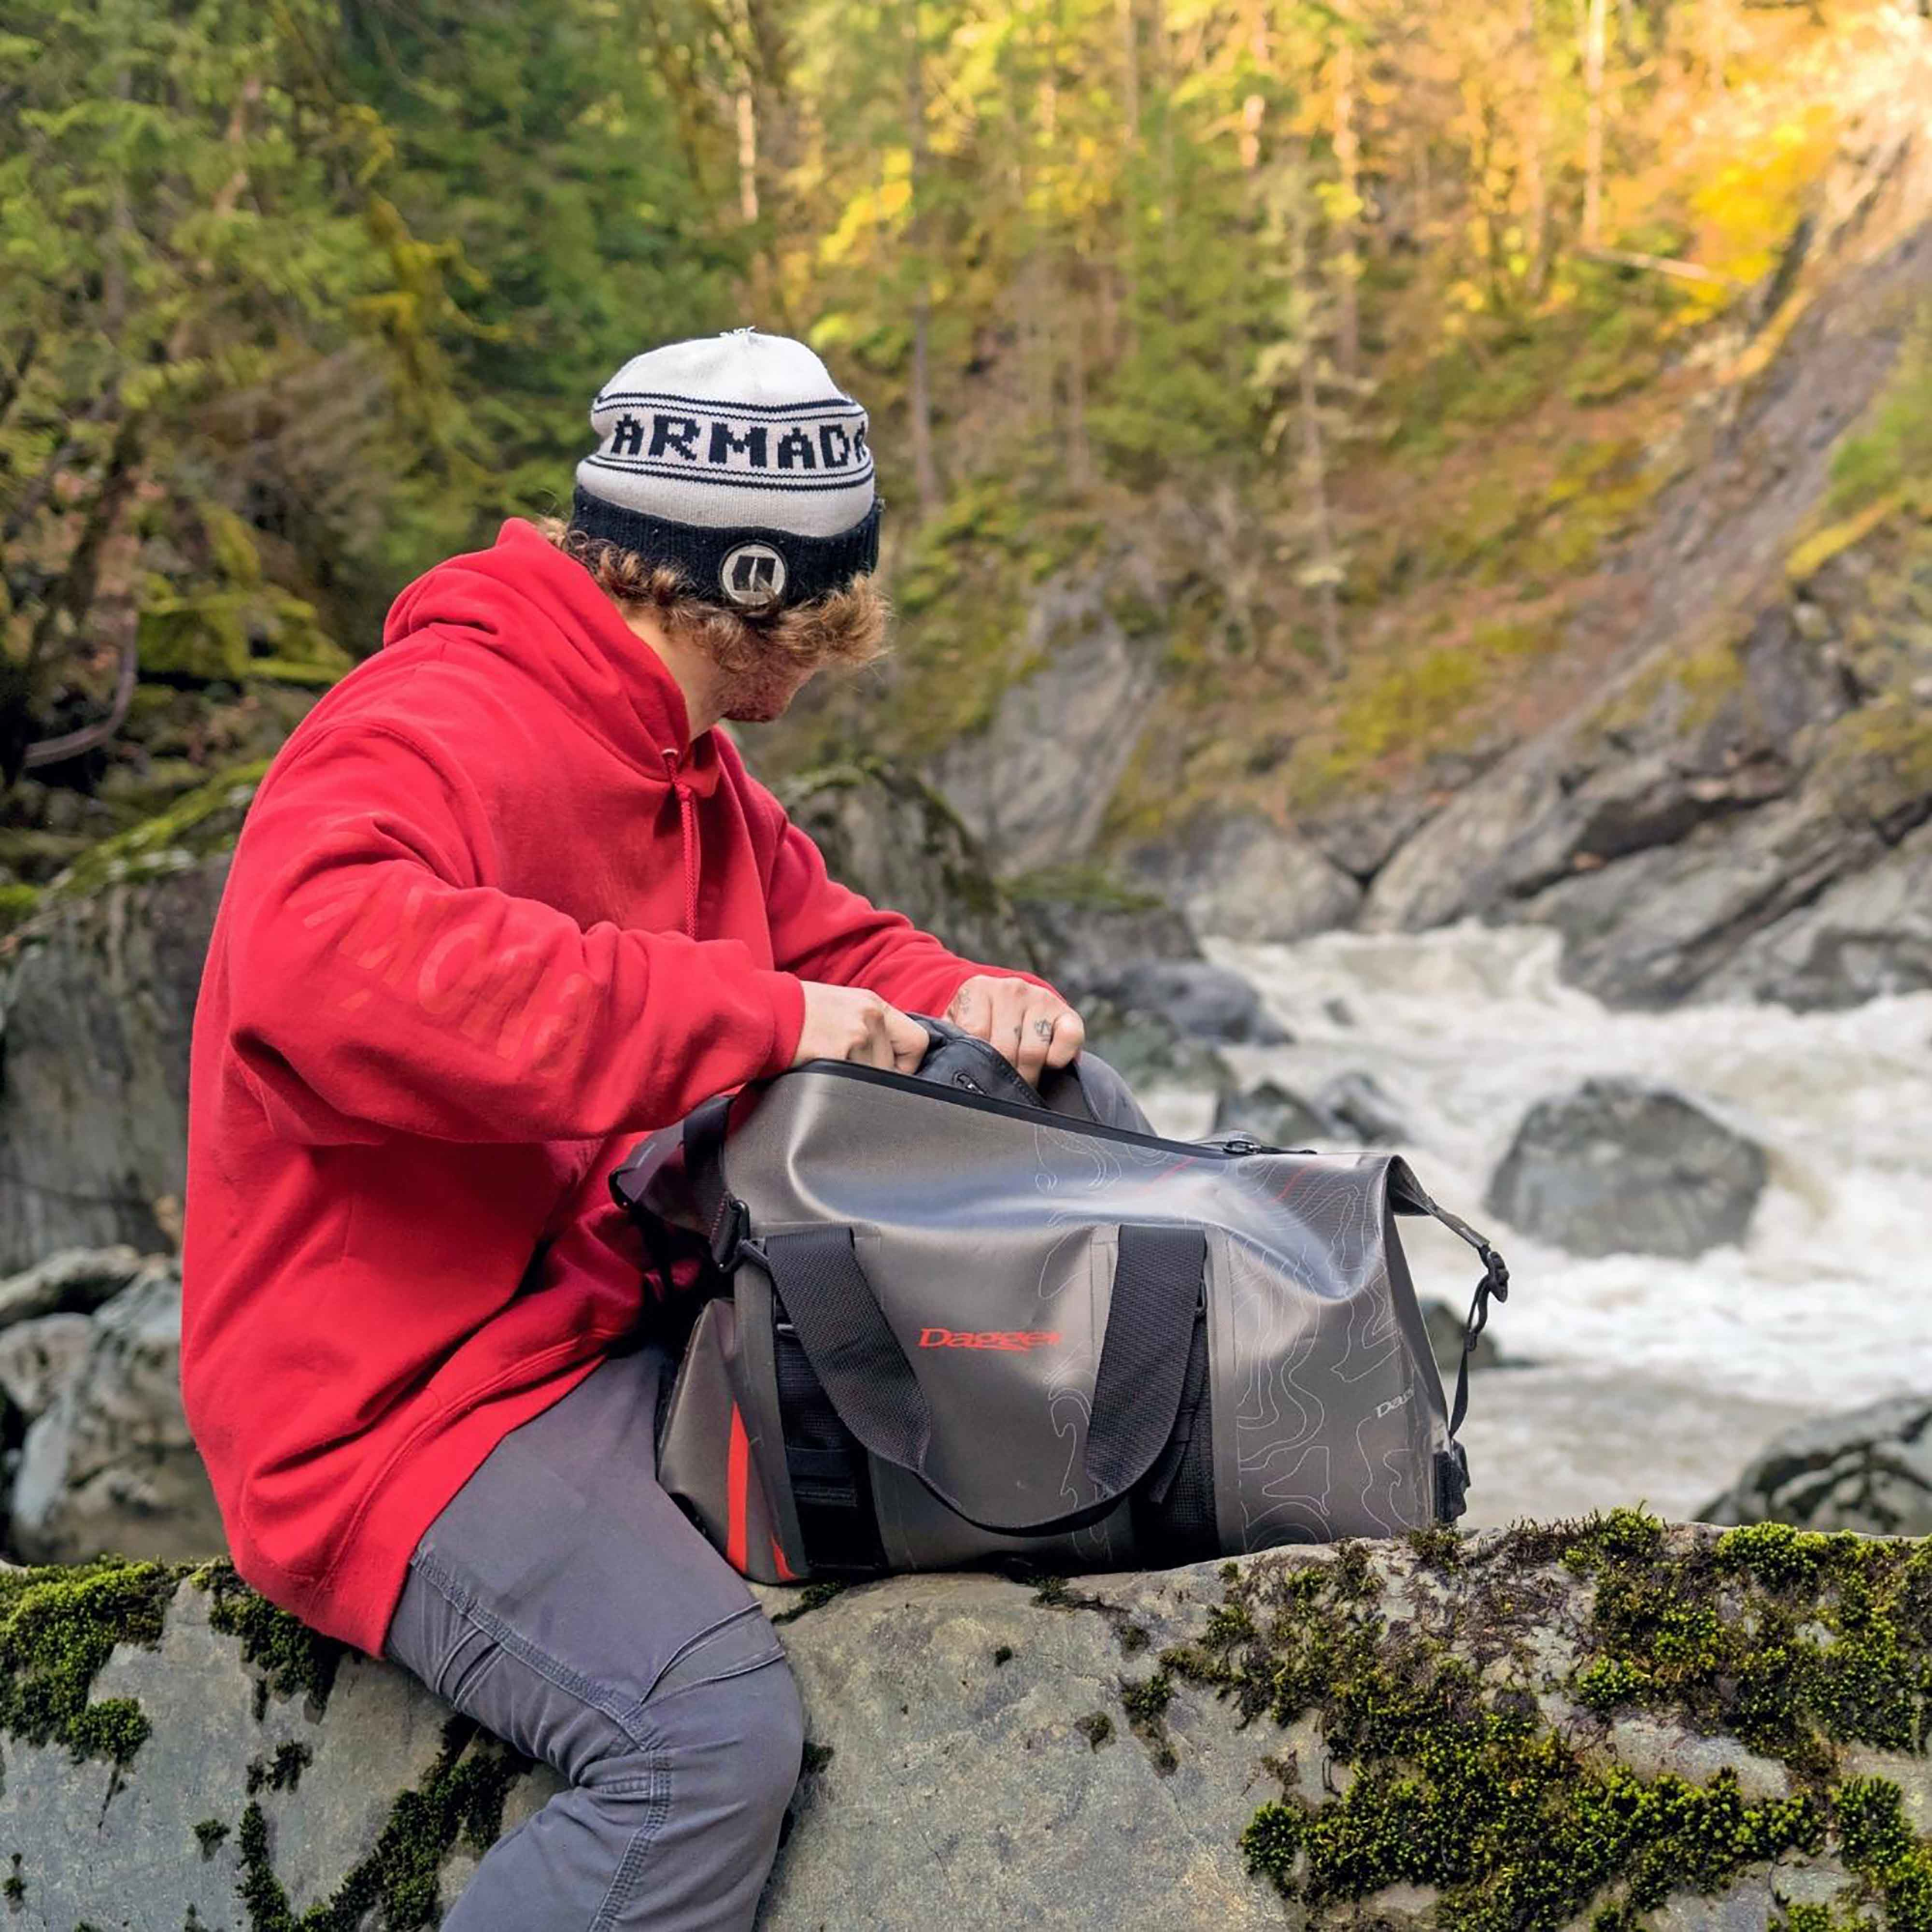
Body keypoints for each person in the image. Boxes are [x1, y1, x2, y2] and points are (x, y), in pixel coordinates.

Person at [180, 329, 1085, 1930]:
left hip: (606, 1334)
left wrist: (971, 994)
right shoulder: (430, 720)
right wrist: (750, 1016)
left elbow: (828, 947)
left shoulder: (685, 765)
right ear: (733, 582)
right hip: (398, 1409)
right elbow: (313, 966)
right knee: (700, 1738)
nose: (821, 666)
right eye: (817, 622)